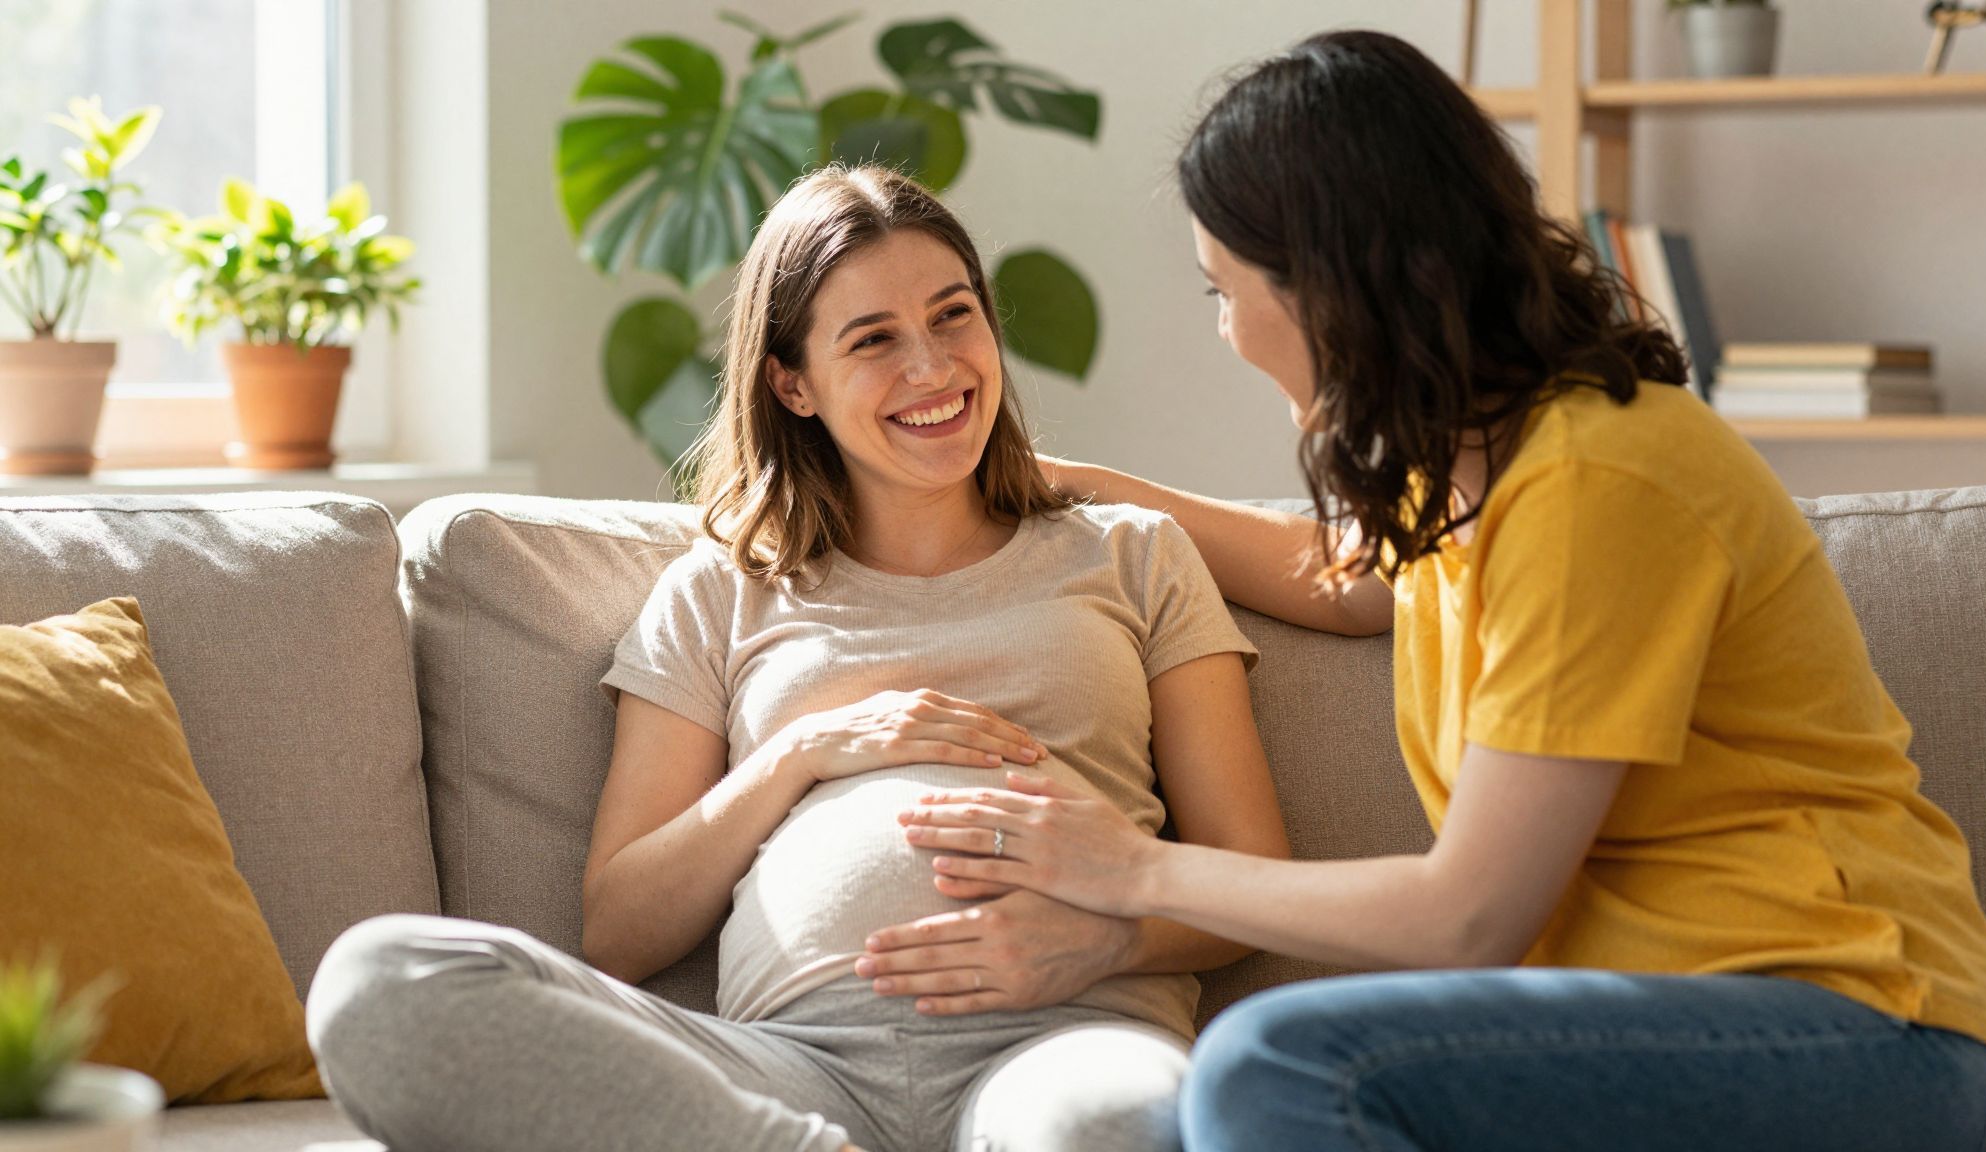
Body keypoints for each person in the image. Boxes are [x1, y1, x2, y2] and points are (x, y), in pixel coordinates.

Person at [898, 30, 1986, 1152]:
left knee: (1272, 1062)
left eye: (1221, 289)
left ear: (1331, 288)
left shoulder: (1595, 478)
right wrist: (1077, 487)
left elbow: (1469, 913)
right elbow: (1342, 584)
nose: (1228, 329)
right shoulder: (1472, 466)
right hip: (1676, 1030)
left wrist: (1135, 868)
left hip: (1861, 1027)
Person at [301, 165, 1289, 1152]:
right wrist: (800, 751)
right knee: (382, 980)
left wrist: (1094, 943)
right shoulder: (717, 591)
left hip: (1064, 1037)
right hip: (788, 1071)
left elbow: (1252, 881)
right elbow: (620, 929)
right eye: (872, 340)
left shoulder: (1131, 553)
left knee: (1113, 1125)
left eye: (953, 316)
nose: (932, 368)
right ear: (792, 383)